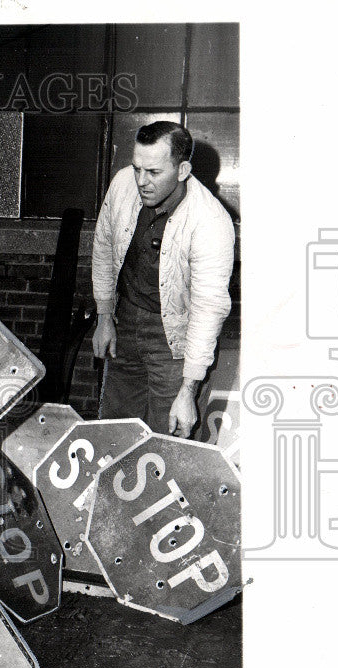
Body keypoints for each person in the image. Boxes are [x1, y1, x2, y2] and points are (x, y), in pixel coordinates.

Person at [91, 120, 235, 437]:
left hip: (173, 339)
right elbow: (102, 245)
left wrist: (188, 389)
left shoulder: (211, 221)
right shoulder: (122, 184)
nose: (141, 181)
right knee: (113, 435)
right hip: (124, 322)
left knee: (164, 445)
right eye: (137, 168)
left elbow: (208, 308)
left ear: (182, 170)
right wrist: (104, 316)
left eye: (154, 172)